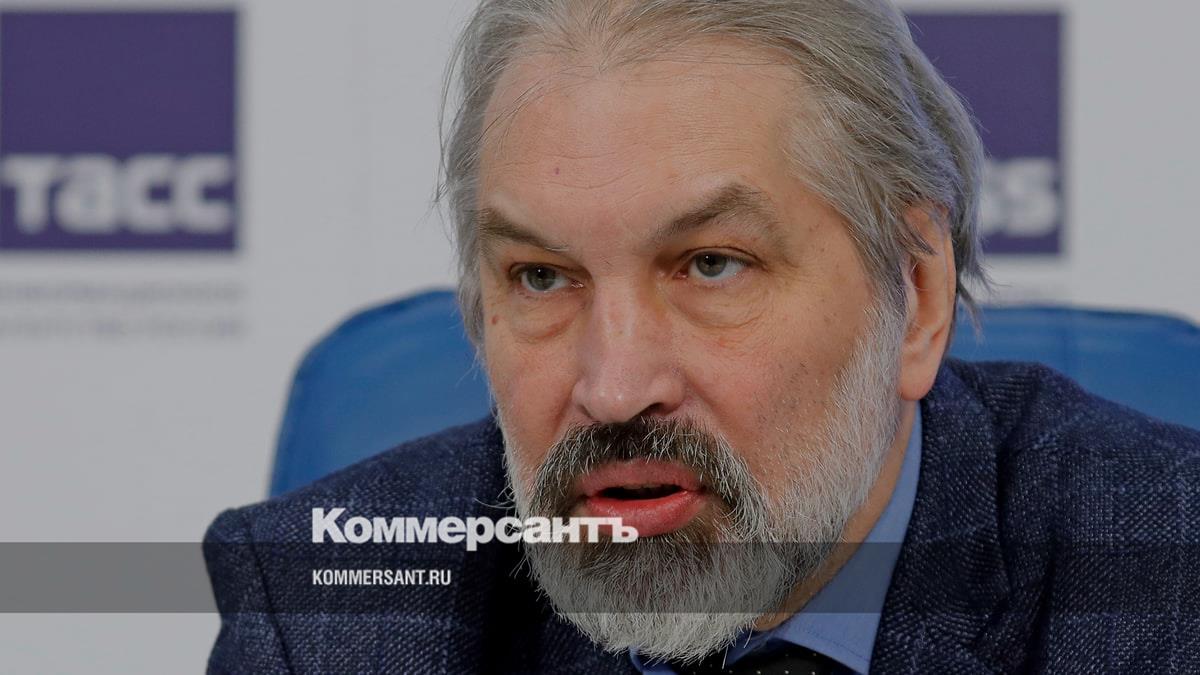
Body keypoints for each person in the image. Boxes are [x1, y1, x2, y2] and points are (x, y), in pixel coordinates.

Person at [203, 1, 1200, 673]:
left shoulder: (1168, 583)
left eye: (711, 264)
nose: (615, 386)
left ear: (917, 293)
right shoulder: (336, 618)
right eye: (541, 276)